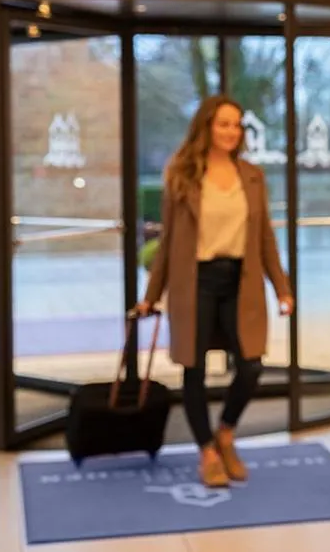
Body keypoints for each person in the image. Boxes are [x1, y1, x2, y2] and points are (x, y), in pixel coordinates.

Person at [137, 95, 293, 488]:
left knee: (252, 364)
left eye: (237, 125)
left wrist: (283, 289)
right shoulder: (182, 174)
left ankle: (226, 433)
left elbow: (264, 239)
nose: (231, 131)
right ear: (206, 126)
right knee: (194, 369)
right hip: (196, 283)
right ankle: (207, 451)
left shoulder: (252, 175)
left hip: (241, 281)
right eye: (223, 124)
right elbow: (169, 240)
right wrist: (152, 295)